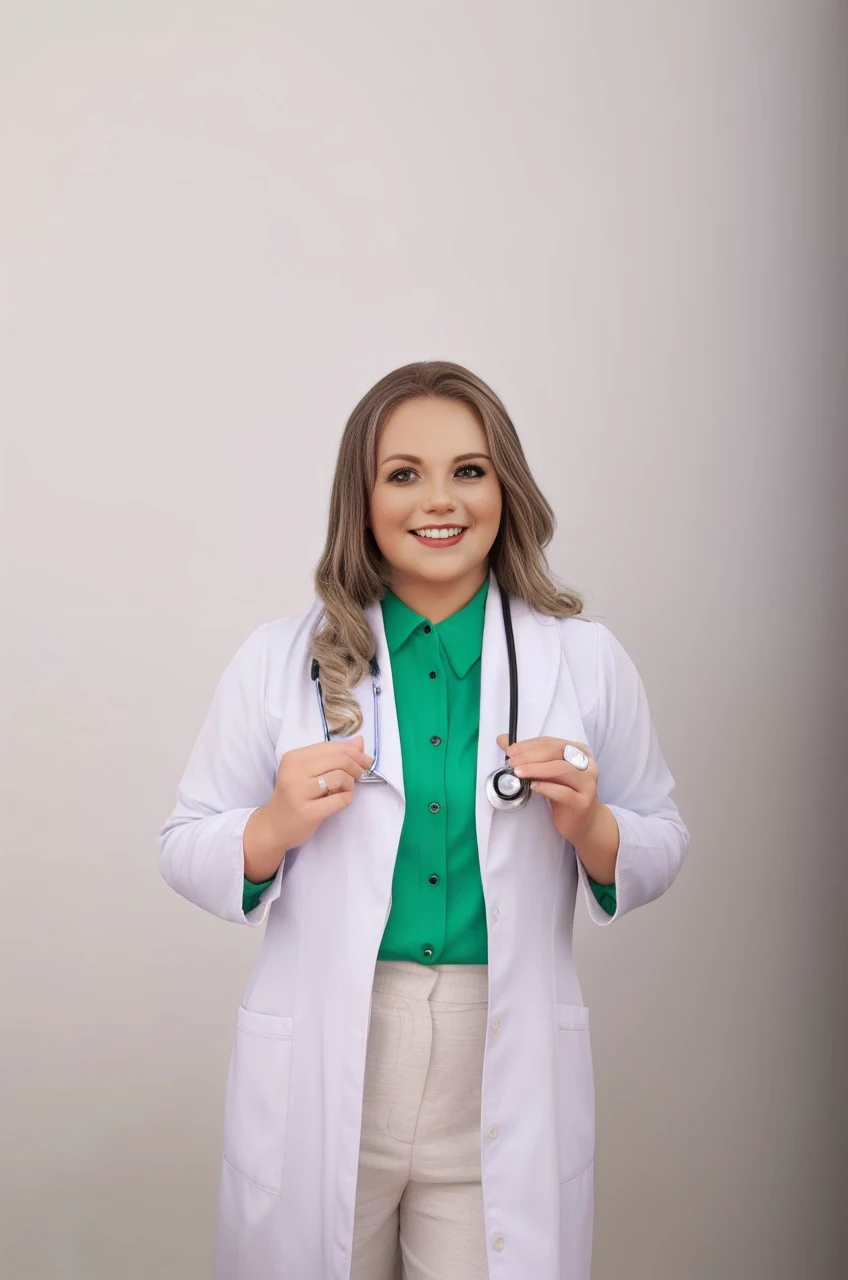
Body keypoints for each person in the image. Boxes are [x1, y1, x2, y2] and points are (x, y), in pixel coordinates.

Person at [158, 360, 690, 1280]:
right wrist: (273, 827)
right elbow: (184, 841)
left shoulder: (586, 661)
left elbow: (663, 835)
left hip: (499, 1063)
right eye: (403, 473)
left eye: (469, 471)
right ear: (361, 499)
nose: (439, 500)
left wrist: (593, 828)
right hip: (335, 1056)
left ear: (506, 488)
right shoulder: (275, 661)